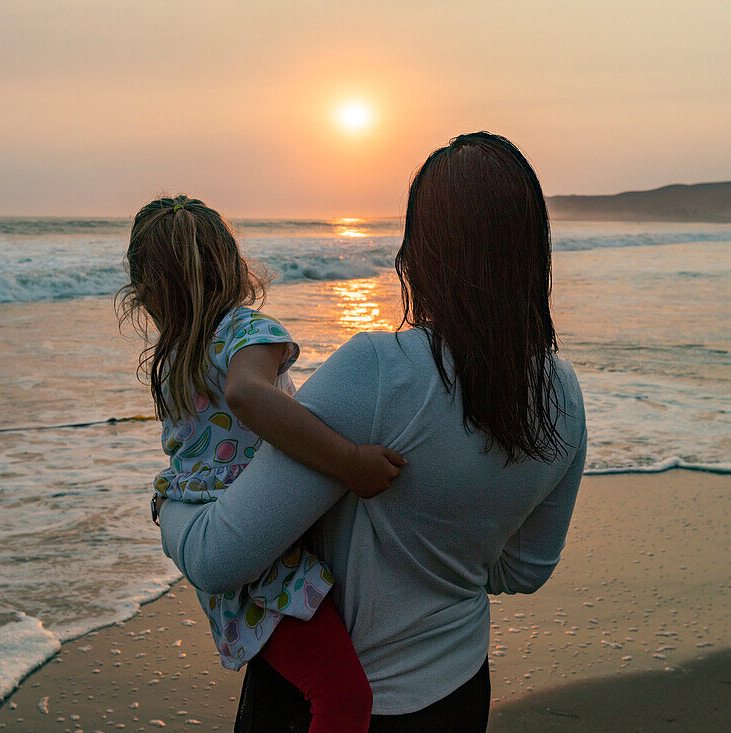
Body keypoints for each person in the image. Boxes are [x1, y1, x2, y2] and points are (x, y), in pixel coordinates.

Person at [157, 132, 587, 731]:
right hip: (459, 692)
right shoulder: (562, 393)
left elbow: (218, 559)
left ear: (421, 250)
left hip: (331, 704)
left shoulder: (378, 373)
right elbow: (524, 571)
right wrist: (447, 544)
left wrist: (168, 507)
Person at [118, 196, 408, 733]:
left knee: (292, 696)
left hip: (218, 555)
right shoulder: (244, 330)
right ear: (230, 264)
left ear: (145, 293)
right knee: (342, 698)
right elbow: (249, 396)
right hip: (267, 557)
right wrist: (349, 463)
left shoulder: (175, 356)